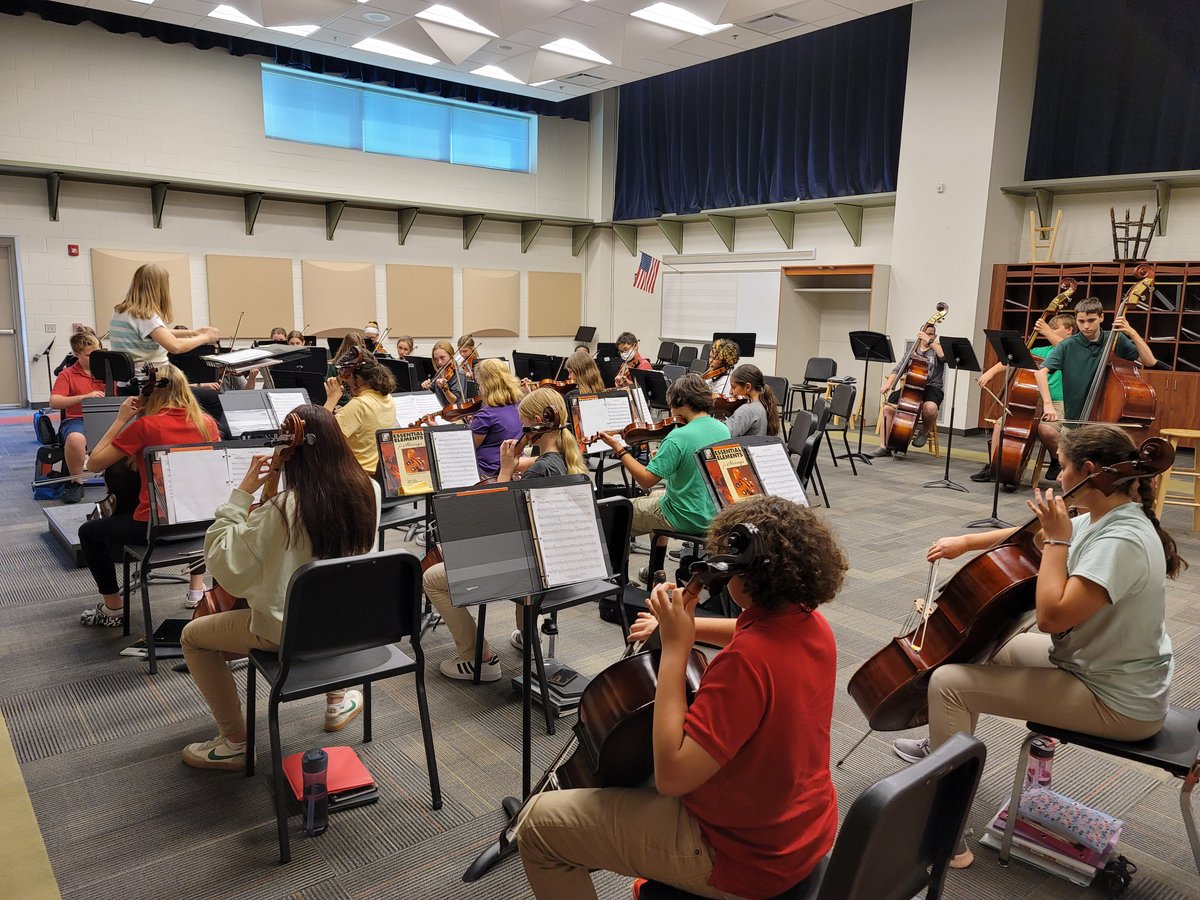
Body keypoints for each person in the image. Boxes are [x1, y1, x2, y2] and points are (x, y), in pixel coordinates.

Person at [517, 496, 844, 900]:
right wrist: (684, 625)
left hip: (741, 856)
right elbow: (744, 630)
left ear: (743, 574)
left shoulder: (745, 664)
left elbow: (672, 777)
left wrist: (675, 648)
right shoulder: (813, 625)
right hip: (801, 829)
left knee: (538, 827)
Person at [891, 424, 1186, 867]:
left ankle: (945, 830)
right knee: (999, 647)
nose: (1057, 477)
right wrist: (967, 542)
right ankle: (944, 746)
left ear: (1089, 471)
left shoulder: (1122, 540)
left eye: (1061, 467)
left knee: (950, 682)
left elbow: (1051, 617)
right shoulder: (1109, 515)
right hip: (1098, 668)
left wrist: (1058, 540)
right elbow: (1035, 534)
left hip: (1119, 701)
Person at [179, 405, 382, 770]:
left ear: (294, 453)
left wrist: (243, 494)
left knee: (193, 637)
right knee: (324, 588)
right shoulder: (371, 489)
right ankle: (337, 701)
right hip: (352, 624)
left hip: (290, 633)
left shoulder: (285, 510)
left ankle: (235, 742)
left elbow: (225, 565)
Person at [424, 388, 587, 682]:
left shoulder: (538, 473)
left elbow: (495, 527)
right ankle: (527, 635)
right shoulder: (566, 461)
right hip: (564, 565)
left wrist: (504, 474)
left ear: (538, 422)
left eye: (523, 424)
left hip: (531, 573)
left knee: (432, 578)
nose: (521, 433)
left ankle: (477, 659)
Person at [77, 365, 216, 626]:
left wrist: (121, 419)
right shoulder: (206, 423)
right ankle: (196, 590)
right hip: (200, 529)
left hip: (154, 531)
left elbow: (94, 463)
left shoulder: (146, 426)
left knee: (89, 532)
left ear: (149, 392)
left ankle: (113, 608)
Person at [595, 373, 729, 544]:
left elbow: (645, 480)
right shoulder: (722, 428)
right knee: (657, 494)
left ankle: (619, 567)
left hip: (685, 516)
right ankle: (657, 570)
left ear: (681, 402)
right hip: (713, 513)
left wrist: (619, 450)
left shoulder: (678, 436)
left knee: (617, 512)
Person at [1035, 297, 1158, 463]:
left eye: (1091, 320)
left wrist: (1131, 332)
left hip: (1105, 425)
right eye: (1081, 321)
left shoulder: (1115, 340)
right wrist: (1048, 406)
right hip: (1073, 424)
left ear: (1101, 318)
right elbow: (1040, 373)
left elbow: (1149, 361)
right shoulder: (1068, 345)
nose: (1086, 326)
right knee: (1072, 472)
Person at [108, 263, 226, 431]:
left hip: (129, 384)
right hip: (153, 386)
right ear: (160, 288)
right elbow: (174, 346)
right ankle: (206, 440)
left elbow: (158, 332)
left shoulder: (122, 311)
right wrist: (205, 337)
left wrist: (194, 332)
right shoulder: (146, 315)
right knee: (212, 399)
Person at [970, 313, 1075, 486]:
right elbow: (1015, 358)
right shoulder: (1041, 351)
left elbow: (1066, 349)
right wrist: (990, 372)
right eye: (1051, 328)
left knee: (1047, 430)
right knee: (999, 424)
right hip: (1033, 402)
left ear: (1070, 330)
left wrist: (1047, 331)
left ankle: (1057, 460)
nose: (1050, 331)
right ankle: (994, 466)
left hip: (1057, 403)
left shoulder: (1072, 348)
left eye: (1056, 328)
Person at [49, 329, 106, 503]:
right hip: (77, 420)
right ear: (77, 354)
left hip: (106, 418)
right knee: (75, 439)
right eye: (90, 355)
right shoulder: (67, 374)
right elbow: (54, 402)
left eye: (98, 352)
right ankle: (76, 482)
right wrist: (84, 397)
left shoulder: (108, 370)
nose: (95, 357)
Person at [874, 323, 945, 457]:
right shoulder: (913, 350)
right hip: (912, 386)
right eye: (925, 333)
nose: (928, 336)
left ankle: (924, 432)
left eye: (931, 334)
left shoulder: (937, 349)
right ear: (919, 334)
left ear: (934, 336)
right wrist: (888, 384)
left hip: (932, 387)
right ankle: (884, 446)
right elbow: (898, 369)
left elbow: (944, 357)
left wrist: (930, 341)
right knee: (888, 408)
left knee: (930, 408)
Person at [323, 348, 397, 475]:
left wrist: (331, 399)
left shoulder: (359, 405)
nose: (345, 381)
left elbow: (321, 435)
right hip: (380, 475)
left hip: (356, 476)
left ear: (355, 377)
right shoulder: (389, 399)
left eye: (347, 376)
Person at [469, 358, 524, 480]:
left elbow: (468, 450)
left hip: (487, 474)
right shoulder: (520, 407)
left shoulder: (485, 416)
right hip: (514, 468)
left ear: (485, 385)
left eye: (479, 384)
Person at [723, 363, 782, 438]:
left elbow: (724, 434)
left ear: (747, 387)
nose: (730, 392)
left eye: (733, 387)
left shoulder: (747, 410)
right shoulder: (763, 404)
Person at [422, 339, 467, 405]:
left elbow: (454, 401)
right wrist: (427, 386)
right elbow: (434, 390)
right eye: (436, 359)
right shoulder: (441, 371)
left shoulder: (459, 373)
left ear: (451, 355)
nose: (439, 362)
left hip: (453, 413)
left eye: (442, 357)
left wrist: (444, 388)